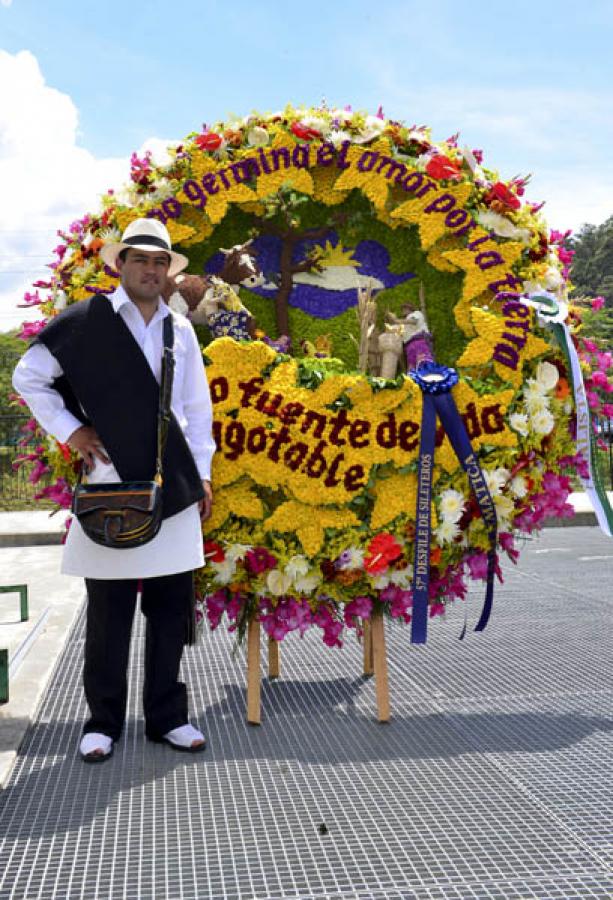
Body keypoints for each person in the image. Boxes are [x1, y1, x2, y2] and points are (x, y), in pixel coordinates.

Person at [13, 218, 216, 762]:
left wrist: (203, 476)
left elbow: (197, 412)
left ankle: (167, 718)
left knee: (172, 611)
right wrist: (71, 431)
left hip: (170, 484)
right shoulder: (84, 322)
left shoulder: (181, 329)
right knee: (108, 615)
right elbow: (27, 377)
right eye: (140, 260)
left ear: (167, 271)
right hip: (108, 486)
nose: (150, 270)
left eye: (159, 262)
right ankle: (102, 721)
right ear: (120, 264)